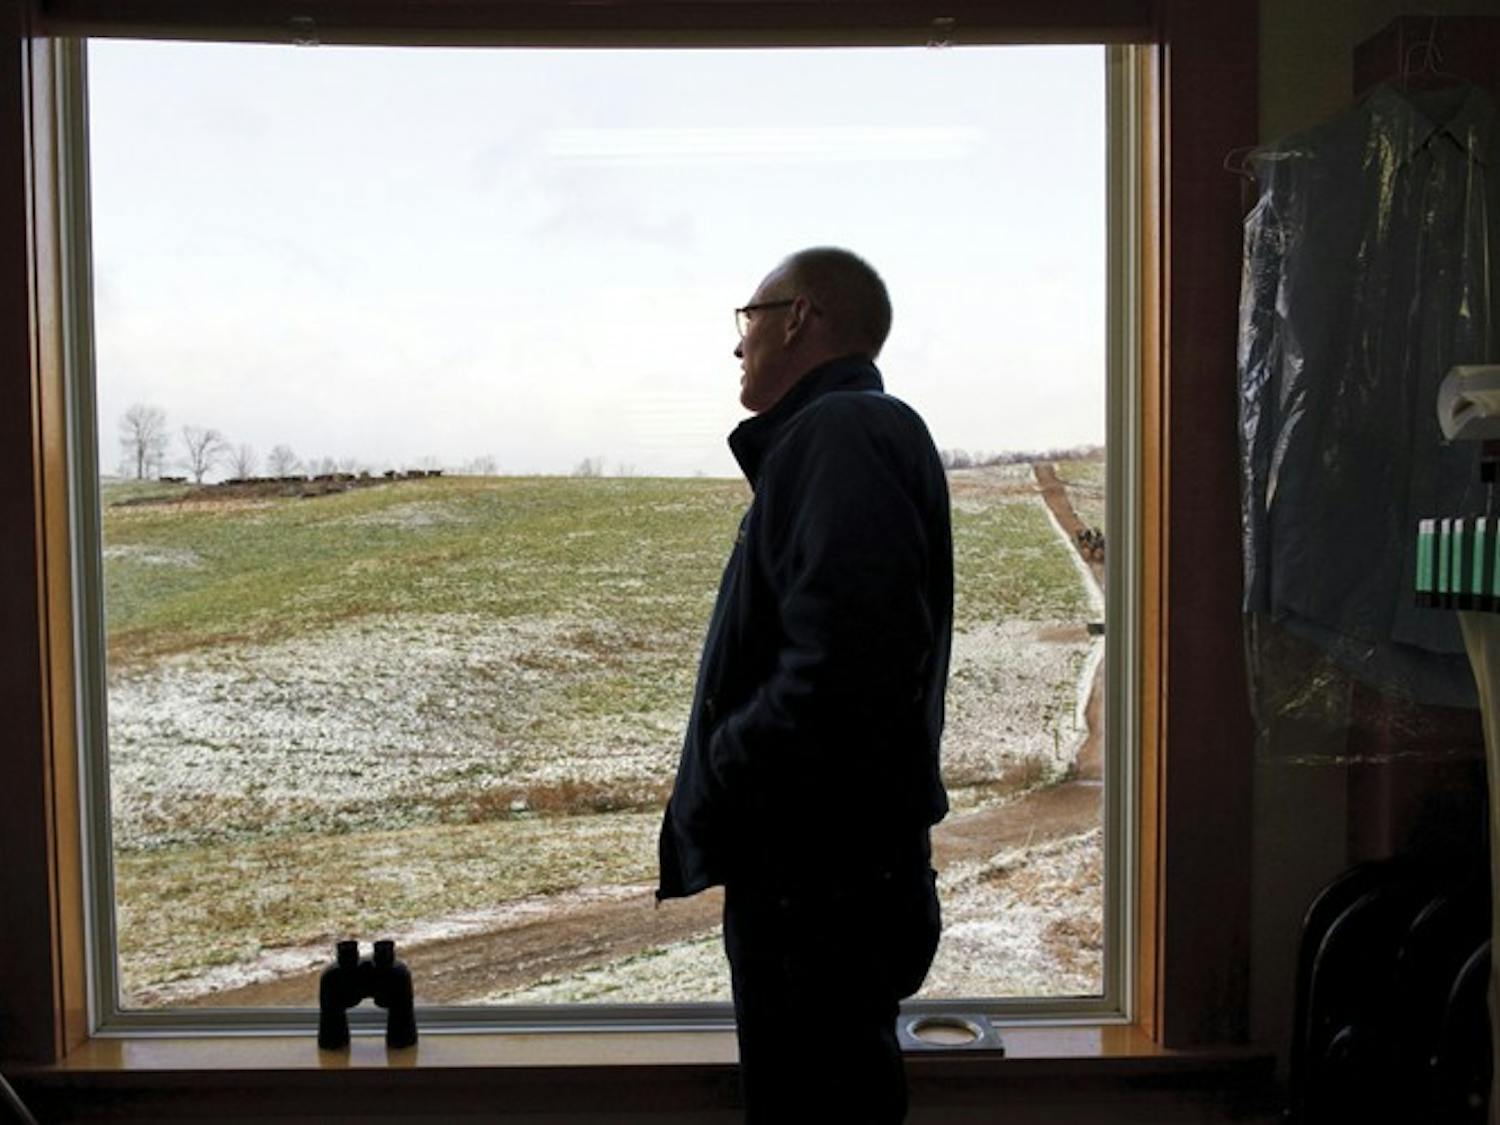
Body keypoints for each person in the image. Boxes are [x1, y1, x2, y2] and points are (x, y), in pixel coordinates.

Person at [657, 247, 952, 1123]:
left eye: (749, 317)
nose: (738, 343)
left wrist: (726, 759)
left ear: (799, 318)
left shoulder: (841, 436)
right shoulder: (849, 436)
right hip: (835, 879)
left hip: (815, 887)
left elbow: (841, 670)